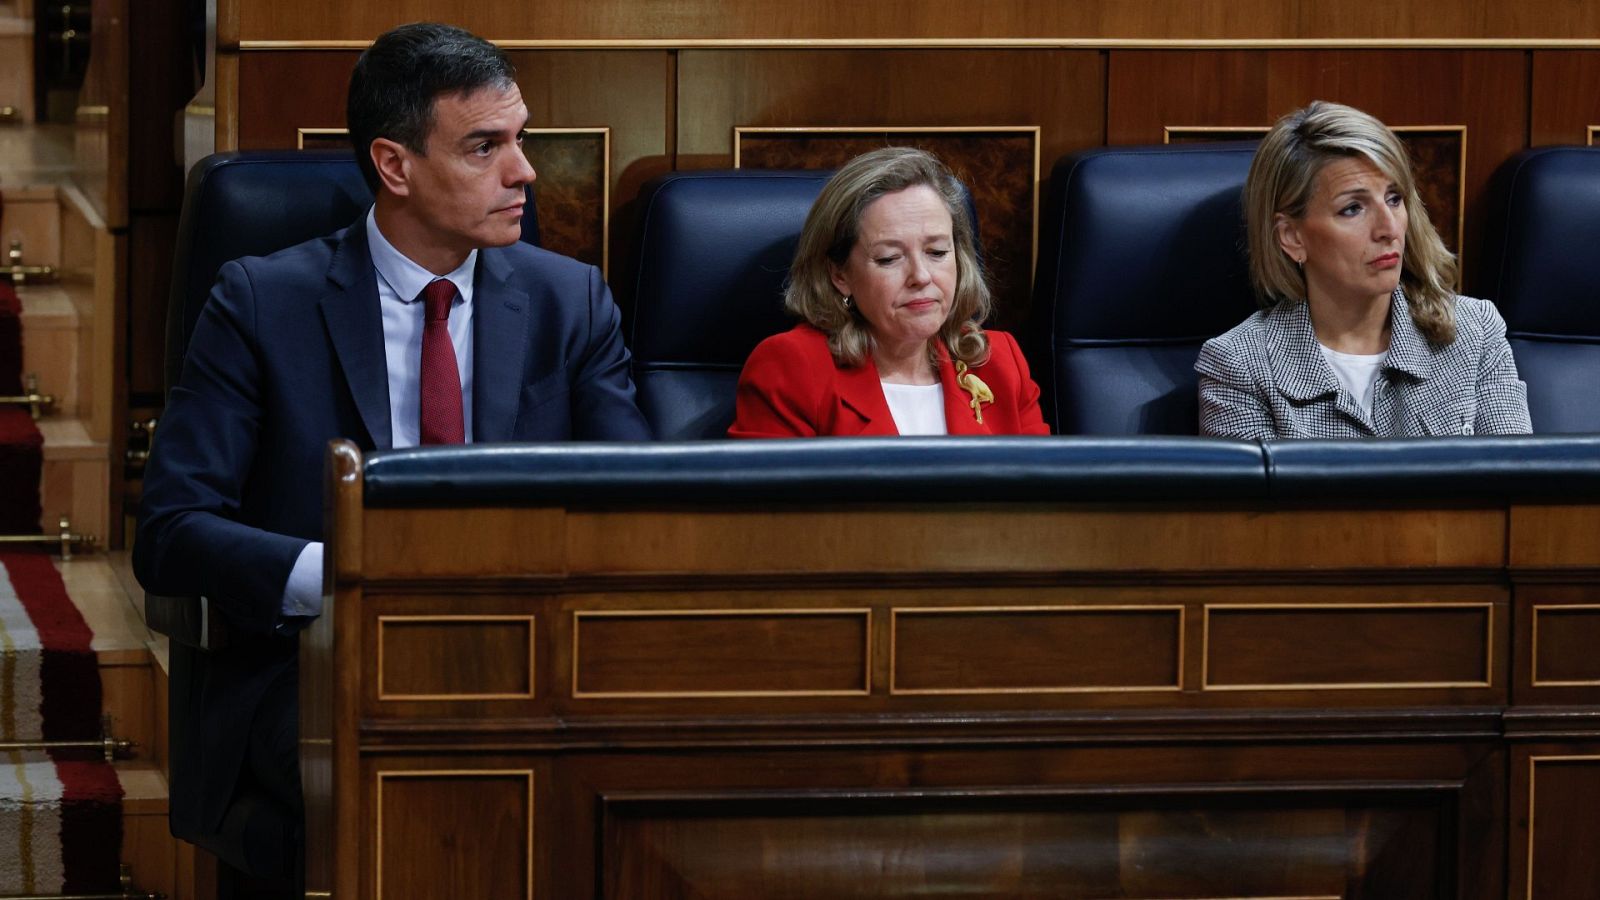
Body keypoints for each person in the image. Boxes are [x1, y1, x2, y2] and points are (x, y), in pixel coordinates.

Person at [133, 22, 650, 892]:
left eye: (521, 139)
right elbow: (171, 531)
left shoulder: (572, 302)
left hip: (528, 655)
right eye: (485, 147)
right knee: (441, 768)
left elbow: (635, 507)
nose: (524, 172)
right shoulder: (263, 303)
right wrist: (347, 578)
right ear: (395, 165)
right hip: (317, 668)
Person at [1196, 101, 1530, 439]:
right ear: (1292, 237)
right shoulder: (1239, 366)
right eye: (1353, 208)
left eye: (1394, 199)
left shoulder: (1474, 331)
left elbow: (1518, 471)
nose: (1389, 228)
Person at [728, 147, 1048, 437]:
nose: (921, 276)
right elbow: (768, 487)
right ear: (840, 275)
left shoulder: (999, 363)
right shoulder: (793, 369)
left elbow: (1045, 482)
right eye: (889, 258)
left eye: (937, 252)